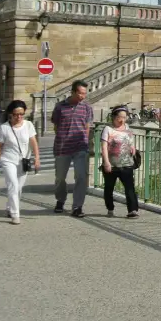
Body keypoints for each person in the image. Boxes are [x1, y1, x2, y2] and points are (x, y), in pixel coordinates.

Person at [0, 100, 39, 225]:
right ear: (10, 114)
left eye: (21, 114)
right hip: (8, 160)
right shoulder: (4, 128)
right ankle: (15, 214)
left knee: (18, 187)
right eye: (16, 114)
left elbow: (33, 142)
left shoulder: (28, 125)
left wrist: (37, 158)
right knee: (13, 184)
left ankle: (9, 207)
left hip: (24, 160)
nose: (19, 117)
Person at [52, 80, 93, 218]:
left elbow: (87, 127)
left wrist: (85, 143)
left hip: (80, 146)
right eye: (80, 93)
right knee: (60, 178)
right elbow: (56, 126)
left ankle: (77, 206)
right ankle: (60, 200)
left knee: (81, 176)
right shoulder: (60, 107)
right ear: (73, 92)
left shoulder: (87, 107)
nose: (83, 96)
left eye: (84, 93)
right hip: (62, 147)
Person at [101, 106, 139, 218]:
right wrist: (106, 162)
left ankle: (132, 210)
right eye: (119, 117)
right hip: (111, 164)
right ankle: (110, 208)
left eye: (124, 117)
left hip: (127, 163)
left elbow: (130, 140)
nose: (122, 120)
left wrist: (133, 147)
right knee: (109, 188)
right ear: (114, 117)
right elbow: (104, 147)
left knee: (130, 188)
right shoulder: (108, 129)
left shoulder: (127, 127)